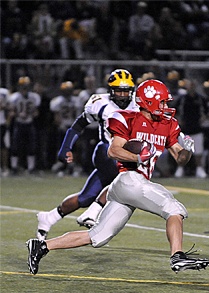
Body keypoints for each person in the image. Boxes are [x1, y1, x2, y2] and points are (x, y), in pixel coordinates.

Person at [26, 79, 209, 275]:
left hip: (128, 187)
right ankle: (177, 256)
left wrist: (188, 150)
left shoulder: (168, 124)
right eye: (163, 102)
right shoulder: (126, 118)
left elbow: (180, 158)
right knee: (173, 208)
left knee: (98, 236)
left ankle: (41, 246)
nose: (166, 106)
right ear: (149, 102)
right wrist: (137, 157)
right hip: (128, 179)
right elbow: (113, 151)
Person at [36, 69, 138, 240]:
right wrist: (65, 147)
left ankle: (49, 217)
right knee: (128, 178)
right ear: (111, 90)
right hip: (107, 152)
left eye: (126, 90)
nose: (122, 95)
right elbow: (78, 126)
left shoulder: (138, 104)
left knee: (86, 197)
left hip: (125, 154)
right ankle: (93, 212)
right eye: (118, 90)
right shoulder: (101, 103)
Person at [8, 76, 41, 175]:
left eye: (26, 86)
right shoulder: (15, 97)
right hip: (19, 123)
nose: (24, 88)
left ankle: (31, 168)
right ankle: (14, 167)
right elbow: (12, 111)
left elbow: (36, 112)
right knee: (15, 146)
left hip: (29, 123)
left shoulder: (34, 97)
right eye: (22, 86)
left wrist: (33, 113)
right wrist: (17, 114)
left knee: (32, 146)